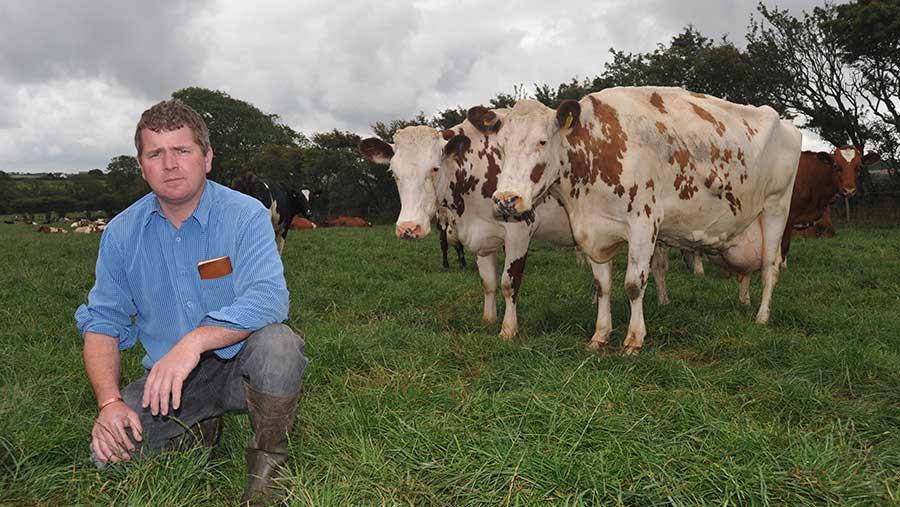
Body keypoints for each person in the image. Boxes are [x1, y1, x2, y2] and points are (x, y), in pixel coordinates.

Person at [75, 99, 308, 506]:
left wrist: (195, 341)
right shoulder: (120, 234)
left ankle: (268, 472)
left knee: (279, 345)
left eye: (182, 150)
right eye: (155, 153)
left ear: (207, 158)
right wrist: (110, 403)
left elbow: (270, 298)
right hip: (171, 383)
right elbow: (102, 323)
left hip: (241, 365)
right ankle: (201, 426)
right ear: (141, 164)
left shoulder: (246, 215)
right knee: (108, 458)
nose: (169, 164)